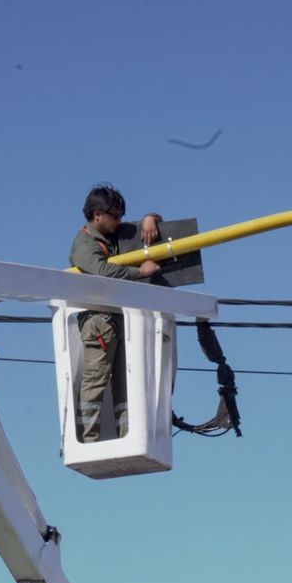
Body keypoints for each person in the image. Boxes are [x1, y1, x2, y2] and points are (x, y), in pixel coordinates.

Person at [69, 185, 164, 442]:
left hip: (122, 319)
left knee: (127, 381)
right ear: (98, 214)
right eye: (115, 215)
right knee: (96, 378)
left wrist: (151, 218)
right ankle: (87, 440)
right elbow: (102, 271)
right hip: (99, 321)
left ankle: (127, 436)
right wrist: (140, 273)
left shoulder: (115, 237)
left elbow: (146, 230)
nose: (120, 220)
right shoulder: (84, 243)